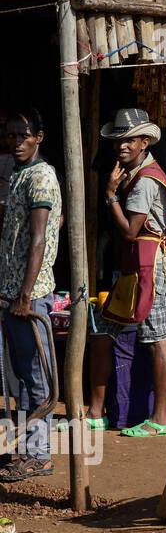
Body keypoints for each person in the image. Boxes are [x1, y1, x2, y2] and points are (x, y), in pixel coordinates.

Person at [88, 109, 166, 437]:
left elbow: (130, 231)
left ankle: (161, 419)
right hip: (134, 267)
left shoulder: (145, 181)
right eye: (118, 140)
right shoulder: (134, 172)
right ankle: (95, 412)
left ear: (144, 142)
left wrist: (110, 195)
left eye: (129, 140)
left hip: (149, 267)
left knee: (156, 340)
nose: (122, 146)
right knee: (103, 331)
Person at [0, 108, 61, 481]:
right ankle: (26, 449)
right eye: (11, 135)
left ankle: (39, 453)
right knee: (21, 376)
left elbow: (39, 238)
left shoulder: (40, 176)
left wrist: (24, 294)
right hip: (11, 292)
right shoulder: (18, 175)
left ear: (39, 137)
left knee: (37, 376)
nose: (16, 141)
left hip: (30, 295)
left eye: (23, 135)